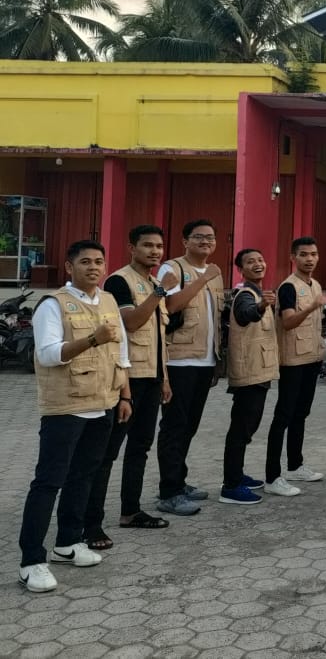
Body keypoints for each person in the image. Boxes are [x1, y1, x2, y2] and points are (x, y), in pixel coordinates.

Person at [20, 240, 131, 592]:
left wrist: (124, 395)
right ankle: (31, 560)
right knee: (49, 481)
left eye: (99, 261)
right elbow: (48, 354)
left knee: (84, 476)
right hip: (66, 406)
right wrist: (92, 339)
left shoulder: (109, 300)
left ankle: (67, 543)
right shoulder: (53, 305)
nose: (93, 267)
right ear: (69, 267)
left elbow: (122, 352)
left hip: (104, 403)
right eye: (85, 262)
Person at [82, 225, 177, 552]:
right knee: (107, 452)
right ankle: (90, 522)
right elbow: (132, 323)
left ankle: (130, 511)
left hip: (152, 378)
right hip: (126, 380)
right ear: (131, 248)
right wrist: (161, 291)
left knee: (140, 446)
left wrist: (165, 378)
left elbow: (159, 337)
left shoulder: (151, 284)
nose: (155, 251)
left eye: (159, 246)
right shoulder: (119, 281)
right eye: (147, 245)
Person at [155, 219, 225, 517]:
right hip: (178, 360)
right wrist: (202, 279)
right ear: (185, 241)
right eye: (199, 237)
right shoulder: (172, 269)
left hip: (204, 361)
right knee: (174, 426)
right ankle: (169, 492)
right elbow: (170, 307)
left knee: (190, 426)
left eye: (211, 237)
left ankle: (179, 481)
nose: (206, 241)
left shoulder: (215, 273)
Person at [266, 237, 326, 497]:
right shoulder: (288, 287)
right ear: (293, 258)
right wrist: (312, 307)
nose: (309, 259)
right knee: (284, 416)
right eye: (303, 254)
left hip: (312, 358)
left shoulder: (315, 284)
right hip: (292, 361)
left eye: (313, 254)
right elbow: (288, 322)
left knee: (301, 413)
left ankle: (295, 465)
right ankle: (272, 476)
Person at [219, 249, 279, 505]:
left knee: (247, 428)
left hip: (259, 371)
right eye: (250, 261)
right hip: (249, 373)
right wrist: (262, 306)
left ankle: (237, 475)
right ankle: (231, 486)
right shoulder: (245, 294)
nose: (258, 264)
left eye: (260, 260)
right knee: (241, 430)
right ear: (240, 269)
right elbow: (245, 315)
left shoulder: (255, 292)